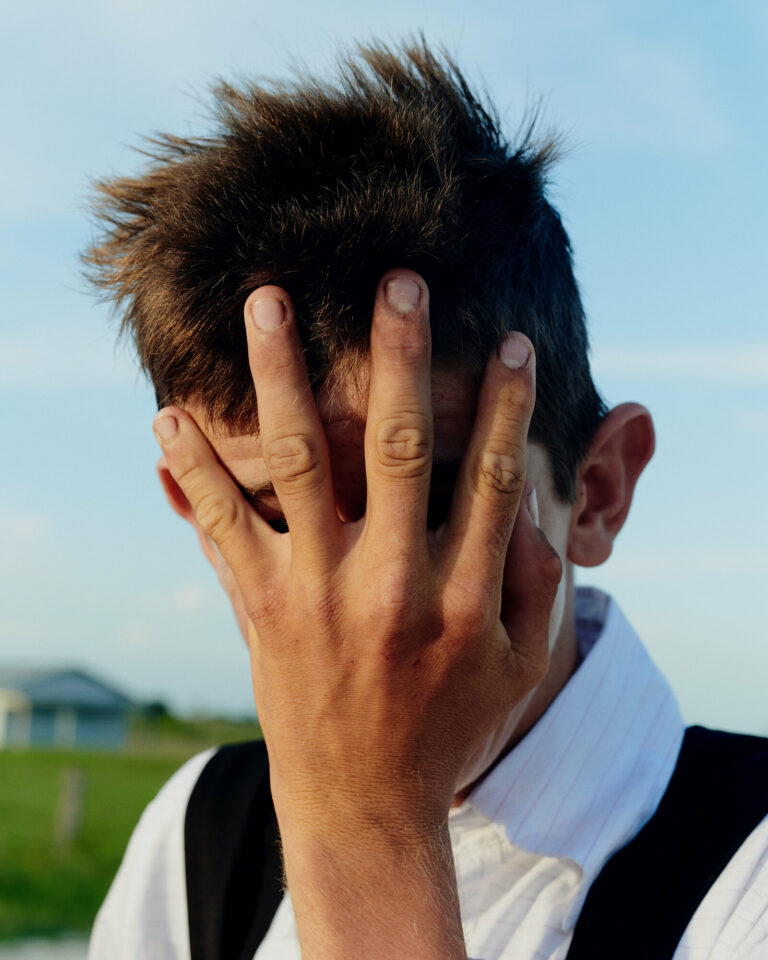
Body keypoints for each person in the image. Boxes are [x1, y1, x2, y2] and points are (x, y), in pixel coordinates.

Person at [83, 41, 768, 960]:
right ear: (201, 515)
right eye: (285, 516)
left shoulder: (745, 876)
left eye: (435, 499)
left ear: (597, 492)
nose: (381, 599)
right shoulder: (201, 839)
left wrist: (367, 825)